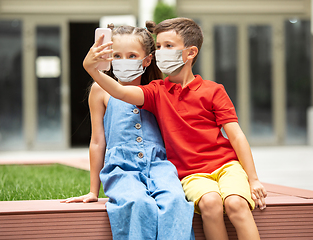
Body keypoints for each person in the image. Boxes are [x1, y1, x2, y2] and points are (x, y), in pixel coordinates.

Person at [83, 17, 268, 240]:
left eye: (167, 47)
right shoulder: (153, 91)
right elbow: (112, 110)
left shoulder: (185, 90)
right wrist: (92, 69)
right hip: (151, 170)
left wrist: (253, 177)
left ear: (146, 60)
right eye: (159, 46)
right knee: (140, 202)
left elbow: (235, 135)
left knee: (189, 202)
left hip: (187, 167)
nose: (162, 52)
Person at [61, 23, 195, 240]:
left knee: (175, 201)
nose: (124, 61)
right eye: (117, 55)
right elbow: (97, 141)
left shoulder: (158, 89)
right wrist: (93, 191)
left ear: (147, 60)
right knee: (137, 202)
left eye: (132, 55)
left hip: (159, 165)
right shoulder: (100, 90)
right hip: (121, 168)